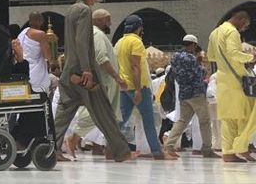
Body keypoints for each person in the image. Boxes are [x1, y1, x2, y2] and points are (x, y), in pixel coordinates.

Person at [53, 0, 132, 162]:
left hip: (69, 71)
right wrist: (87, 69)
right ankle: (121, 151)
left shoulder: (71, 10)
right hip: (83, 73)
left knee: (63, 113)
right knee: (103, 111)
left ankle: (52, 149)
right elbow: (82, 41)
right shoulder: (84, 11)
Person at [70, 8, 127, 155]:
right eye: (108, 20)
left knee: (110, 117)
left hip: (107, 83)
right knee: (95, 113)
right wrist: (117, 77)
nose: (110, 23)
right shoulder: (97, 35)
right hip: (104, 83)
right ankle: (73, 139)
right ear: (100, 20)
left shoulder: (95, 34)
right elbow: (102, 59)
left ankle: (112, 150)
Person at [115, 15, 170, 160]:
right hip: (138, 86)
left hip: (124, 86)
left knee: (121, 120)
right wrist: (139, 89)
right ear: (138, 27)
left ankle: (110, 147)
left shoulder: (119, 42)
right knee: (148, 120)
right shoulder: (136, 42)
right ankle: (157, 152)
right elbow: (135, 67)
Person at [207, 10, 256, 164]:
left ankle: (228, 153)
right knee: (246, 114)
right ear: (241, 20)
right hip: (237, 79)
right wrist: (251, 57)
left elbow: (211, 56)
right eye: (245, 25)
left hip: (222, 79)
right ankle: (242, 147)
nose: (244, 28)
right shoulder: (232, 32)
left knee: (228, 118)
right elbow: (234, 53)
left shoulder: (214, 33)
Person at [164, 34, 217, 158]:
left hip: (183, 94)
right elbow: (200, 74)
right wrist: (201, 66)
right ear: (193, 45)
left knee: (182, 120)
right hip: (196, 93)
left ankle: (169, 146)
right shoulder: (191, 59)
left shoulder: (175, 57)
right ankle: (207, 149)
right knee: (204, 121)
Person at [18, 11, 52, 93]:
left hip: (24, 69)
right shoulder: (40, 34)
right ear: (40, 21)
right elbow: (47, 55)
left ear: (30, 21)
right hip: (36, 71)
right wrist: (53, 62)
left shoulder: (22, 33)